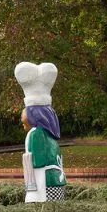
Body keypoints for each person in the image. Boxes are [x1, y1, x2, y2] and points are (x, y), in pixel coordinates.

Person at [16, 61, 66, 202]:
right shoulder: (51, 134)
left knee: (44, 211)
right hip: (56, 180)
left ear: (33, 115)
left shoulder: (37, 133)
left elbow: (37, 161)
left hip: (44, 184)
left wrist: (27, 159)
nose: (22, 119)